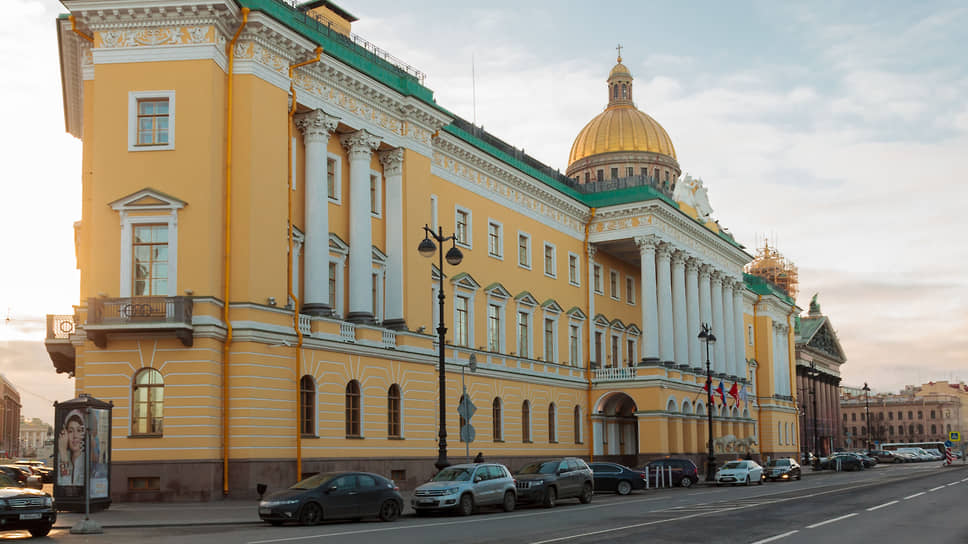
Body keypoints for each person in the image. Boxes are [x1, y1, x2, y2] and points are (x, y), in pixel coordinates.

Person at [58, 410, 85, 486]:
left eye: (79, 430)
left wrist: (63, 452)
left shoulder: (86, 459)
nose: (75, 436)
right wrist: (63, 452)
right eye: (70, 431)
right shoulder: (61, 457)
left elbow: (69, 487)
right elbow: (63, 486)